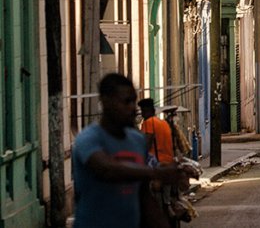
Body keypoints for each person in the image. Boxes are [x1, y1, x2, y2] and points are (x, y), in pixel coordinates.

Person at [72, 74, 185, 228]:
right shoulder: (89, 138)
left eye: (133, 101)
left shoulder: (137, 140)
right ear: (106, 102)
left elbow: (144, 196)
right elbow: (106, 169)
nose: (132, 108)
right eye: (126, 102)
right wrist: (156, 173)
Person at [138, 98, 174, 165]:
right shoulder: (164, 123)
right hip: (168, 162)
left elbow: (146, 144)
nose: (142, 115)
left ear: (146, 111)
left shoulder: (149, 122)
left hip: (156, 162)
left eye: (142, 111)